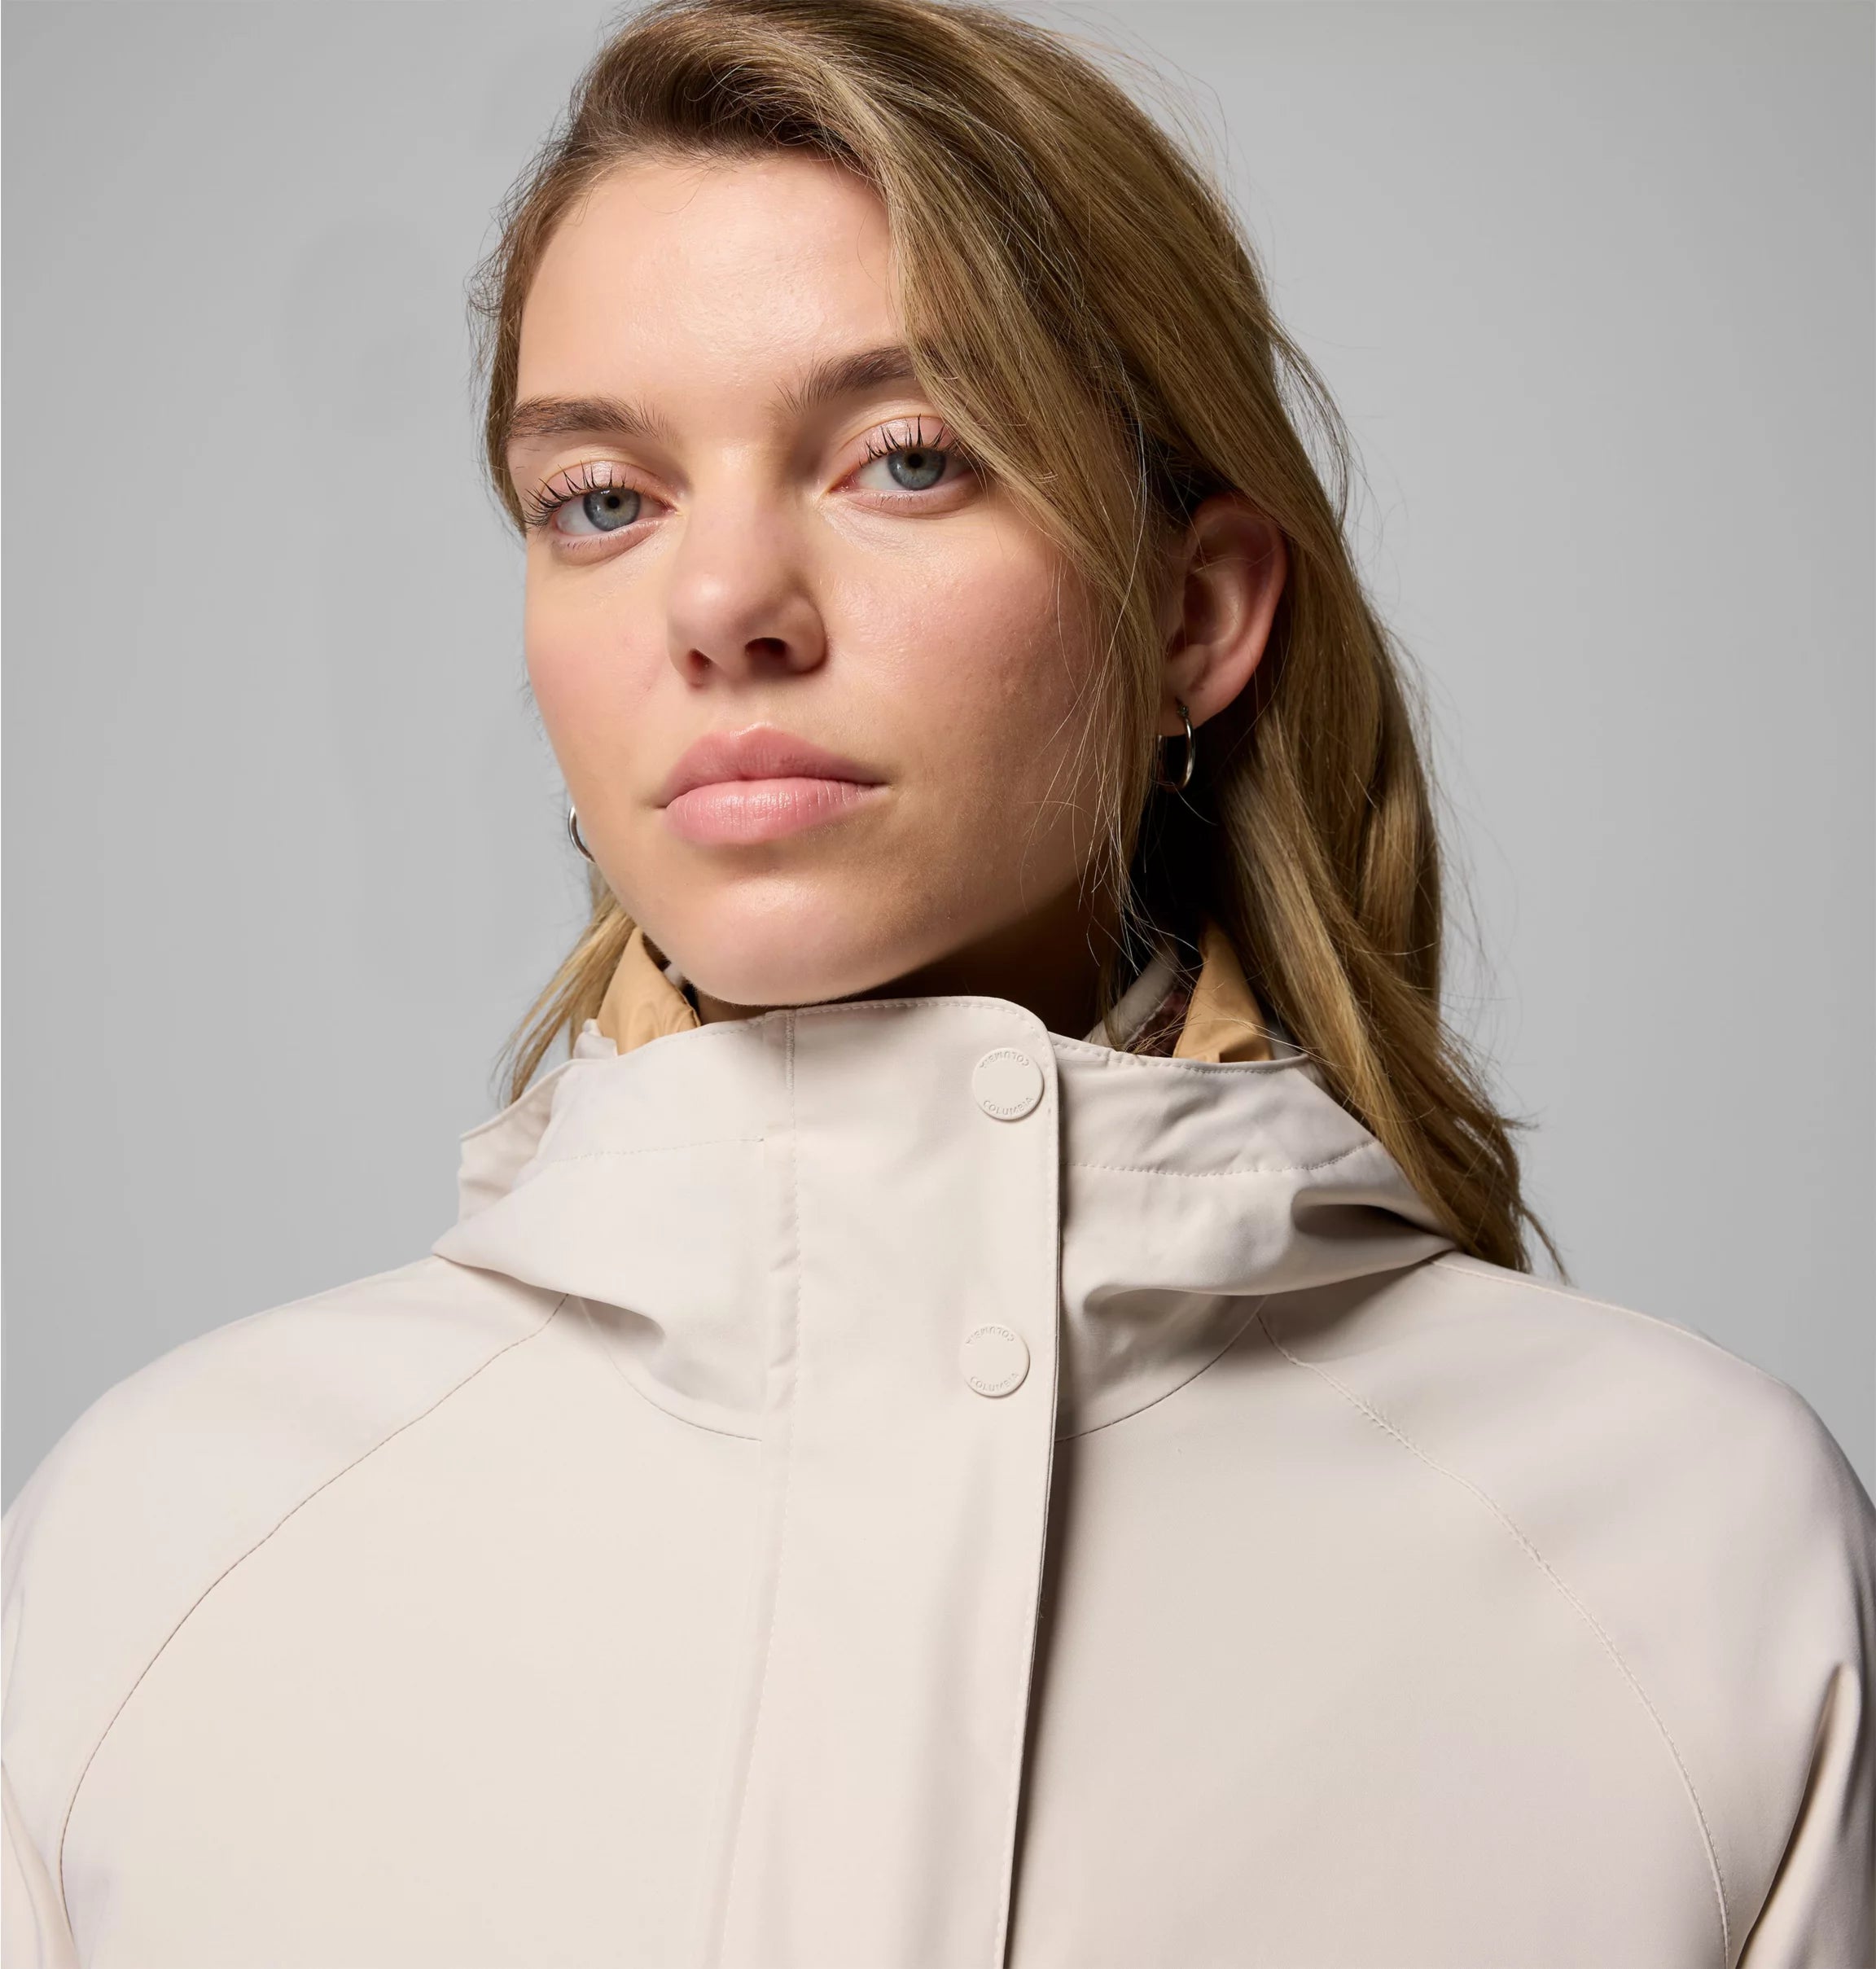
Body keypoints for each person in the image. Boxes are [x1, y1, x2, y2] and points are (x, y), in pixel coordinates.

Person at [5, 0, 1872, 1962]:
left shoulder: (1691, 1569)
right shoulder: (155, 1564)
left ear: (1196, 614)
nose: (722, 606)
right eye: (604, 498)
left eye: (906, 460)